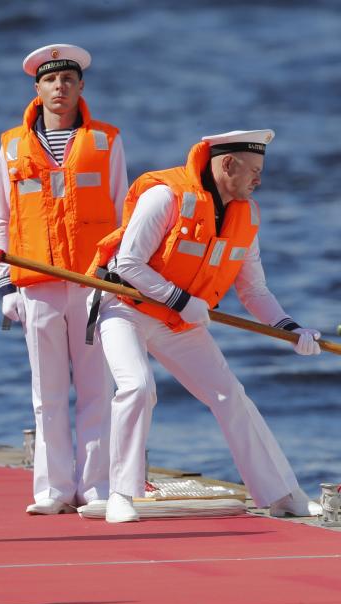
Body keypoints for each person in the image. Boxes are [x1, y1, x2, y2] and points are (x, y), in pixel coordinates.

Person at [90, 129, 323, 523]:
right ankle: (121, 494)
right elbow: (128, 262)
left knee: (230, 394)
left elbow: (254, 289)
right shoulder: (164, 197)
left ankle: (284, 494)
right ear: (227, 163)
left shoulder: (246, 215)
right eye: (253, 170)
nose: (259, 180)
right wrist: (180, 299)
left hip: (178, 320)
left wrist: (289, 327)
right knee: (137, 387)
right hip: (125, 306)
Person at [0, 44, 128, 514]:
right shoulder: (11, 145)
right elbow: (2, 221)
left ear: (81, 87)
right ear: (37, 88)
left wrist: (116, 279)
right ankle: (51, 489)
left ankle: (96, 488)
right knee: (46, 392)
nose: (60, 88)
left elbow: (123, 216)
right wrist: (6, 285)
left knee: (96, 388)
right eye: (51, 81)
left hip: (93, 284)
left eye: (68, 80)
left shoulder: (107, 141)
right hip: (37, 284)